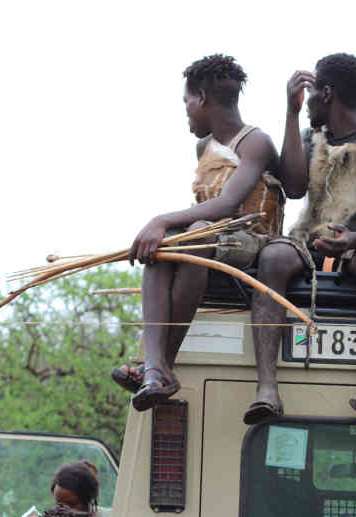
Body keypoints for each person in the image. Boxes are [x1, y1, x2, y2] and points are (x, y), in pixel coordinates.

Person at [245, 53, 356, 426]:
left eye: (312, 93)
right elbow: (296, 187)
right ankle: (267, 388)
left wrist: (351, 240)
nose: (309, 102)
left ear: (327, 93)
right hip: (310, 237)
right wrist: (290, 112)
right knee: (273, 258)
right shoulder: (311, 137)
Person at [120, 53, 283, 411]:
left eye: (187, 102)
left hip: (252, 239)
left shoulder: (254, 142)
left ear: (203, 99)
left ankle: (162, 364)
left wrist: (160, 219)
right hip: (210, 238)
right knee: (164, 247)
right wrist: (162, 229)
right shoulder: (203, 147)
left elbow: (227, 205)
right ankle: (155, 366)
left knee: (190, 234)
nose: (187, 110)